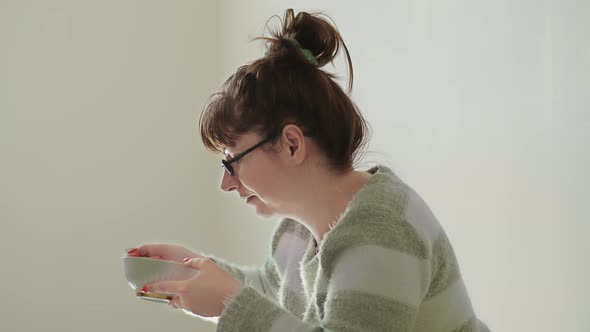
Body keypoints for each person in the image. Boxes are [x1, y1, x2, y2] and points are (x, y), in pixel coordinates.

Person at [127, 8, 490, 331]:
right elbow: (272, 292)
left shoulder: (380, 230)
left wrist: (229, 303)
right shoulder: (298, 229)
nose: (226, 183)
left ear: (292, 144)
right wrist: (195, 273)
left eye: (232, 162)